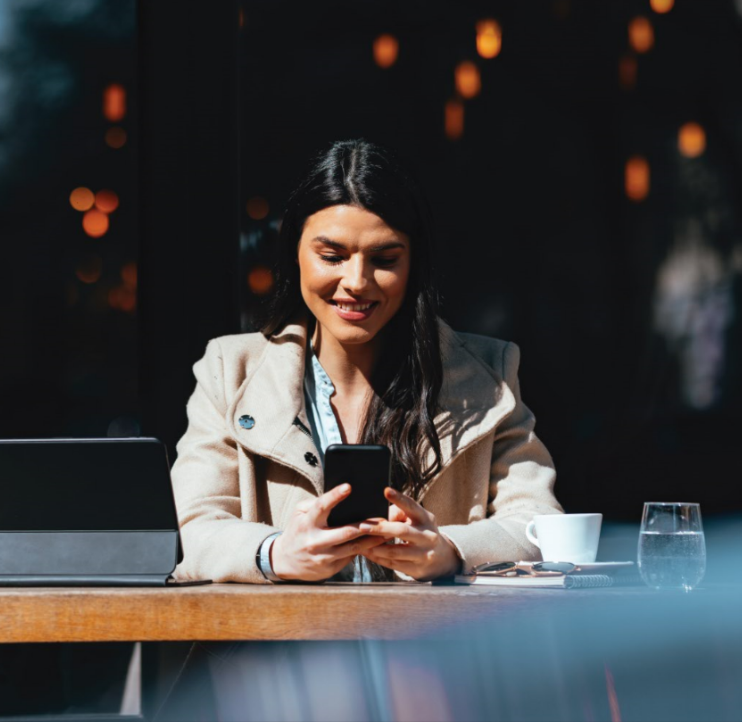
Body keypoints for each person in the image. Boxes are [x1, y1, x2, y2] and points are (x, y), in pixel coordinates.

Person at [171, 139, 561, 583]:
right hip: (274, 649)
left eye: (384, 259)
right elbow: (192, 528)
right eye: (332, 256)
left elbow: (538, 524)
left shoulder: (488, 374)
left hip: (431, 647)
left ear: (415, 263)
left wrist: (449, 551)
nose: (356, 281)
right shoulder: (229, 370)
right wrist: (276, 553)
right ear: (294, 253)